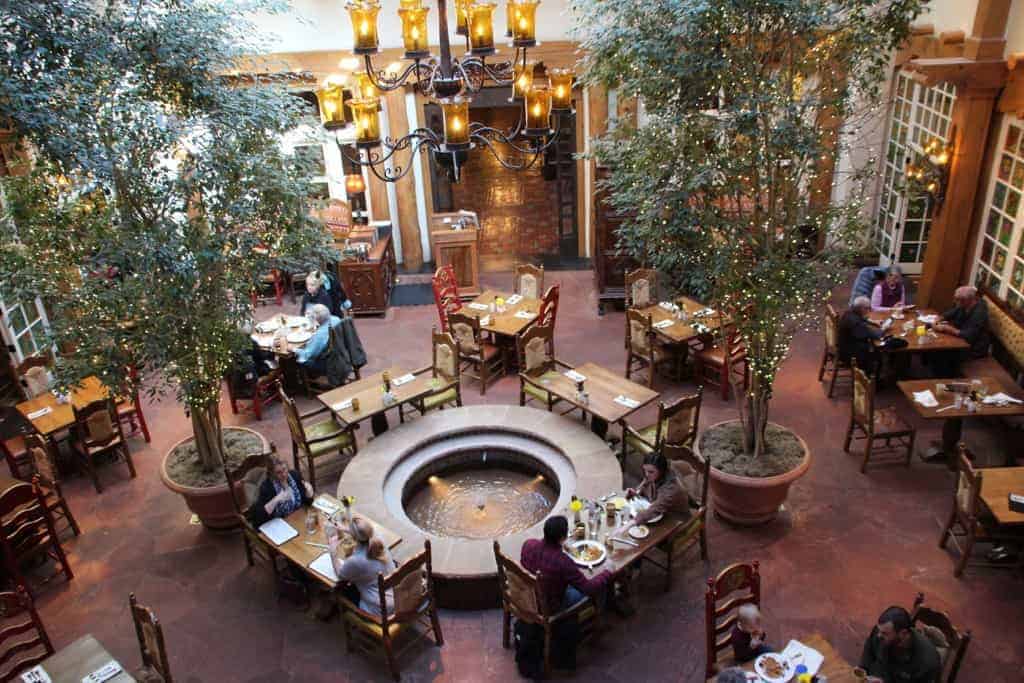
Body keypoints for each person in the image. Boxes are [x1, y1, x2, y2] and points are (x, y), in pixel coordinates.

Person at [520, 516, 612, 611]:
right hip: (551, 605)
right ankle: (599, 615)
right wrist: (608, 571)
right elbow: (588, 588)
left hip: (530, 595)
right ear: (563, 537)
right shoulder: (563, 562)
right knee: (599, 584)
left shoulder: (528, 544)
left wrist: (561, 547)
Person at [328, 516, 398, 615]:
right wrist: (346, 529)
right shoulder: (379, 538)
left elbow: (340, 575)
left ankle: (331, 605)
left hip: (379, 609)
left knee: (340, 588)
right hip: (396, 594)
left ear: (354, 537)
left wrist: (333, 552)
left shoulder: (355, 561)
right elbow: (367, 534)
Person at [859, 606, 941, 683]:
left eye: (885, 633)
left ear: (903, 633)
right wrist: (862, 669)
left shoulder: (927, 663)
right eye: (879, 630)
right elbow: (869, 647)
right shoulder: (881, 631)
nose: (879, 635)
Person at [930, 285, 991, 376]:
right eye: (956, 299)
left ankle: (944, 378)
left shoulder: (979, 313)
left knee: (941, 354)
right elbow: (951, 313)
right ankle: (937, 374)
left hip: (974, 347)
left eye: (960, 300)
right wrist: (938, 319)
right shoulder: (964, 304)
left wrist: (947, 329)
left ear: (971, 299)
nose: (956, 302)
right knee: (935, 350)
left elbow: (968, 335)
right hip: (961, 341)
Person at [247, 453, 314, 527]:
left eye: (284, 469)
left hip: (297, 519)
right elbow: (257, 519)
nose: (284, 474)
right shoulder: (266, 487)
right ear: (272, 473)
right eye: (278, 472)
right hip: (279, 525)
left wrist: (309, 494)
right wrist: (276, 500)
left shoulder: (295, 475)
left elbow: (306, 503)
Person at [625, 452, 691, 526]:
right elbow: (644, 486)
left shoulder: (671, 488)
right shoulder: (653, 475)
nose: (646, 474)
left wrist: (631, 523)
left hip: (675, 520)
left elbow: (656, 508)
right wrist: (636, 493)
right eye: (645, 470)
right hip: (660, 512)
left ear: (661, 471)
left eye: (650, 472)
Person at [838, 296, 884, 374]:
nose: (870, 310)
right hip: (851, 355)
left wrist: (872, 322)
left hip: (844, 348)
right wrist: (885, 328)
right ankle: (874, 380)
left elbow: (862, 319)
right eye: (868, 308)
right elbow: (876, 335)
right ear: (863, 309)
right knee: (880, 354)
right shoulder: (856, 323)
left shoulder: (848, 313)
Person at [295, 304, 341, 377]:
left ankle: (301, 384)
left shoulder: (319, 335)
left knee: (293, 359)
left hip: (327, 363)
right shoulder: (336, 319)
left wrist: (294, 350)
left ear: (317, 319)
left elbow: (308, 355)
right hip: (341, 354)